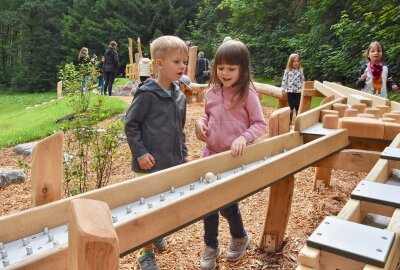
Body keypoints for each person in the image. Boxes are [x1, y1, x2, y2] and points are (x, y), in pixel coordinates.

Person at [194, 40, 267, 270]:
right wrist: (200, 123)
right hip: (211, 155)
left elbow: (259, 124)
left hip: (233, 160)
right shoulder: (212, 92)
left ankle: (239, 236)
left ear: (242, 69)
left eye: (231, 69)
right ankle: (211, 246)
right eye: (220, 67)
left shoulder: (247, 94)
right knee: (208, 203)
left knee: (227, 205)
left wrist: (244, 137)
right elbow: (207, 116)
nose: (224, 73)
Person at [125, 35, 190, 270]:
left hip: (170, 162)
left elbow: (179, 130)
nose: (182, 66)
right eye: (176, 62)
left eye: (184, 61)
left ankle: (155, 234)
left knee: (163, 205)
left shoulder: (180, 96)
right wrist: (140, 153)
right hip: (148, 165)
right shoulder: (146, 94)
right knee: (147, 208)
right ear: (159, 64)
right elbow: (130, 125)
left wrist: (184, 153)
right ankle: (145, 252)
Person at [281, 53, 305, 124]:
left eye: (297, 61)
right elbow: (284, 80)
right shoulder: (287, 71)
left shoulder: (300, 71)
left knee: (298, 106)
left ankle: (298, 121)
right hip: (290, 91)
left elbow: (303, 80)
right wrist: (283, 89)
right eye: (294, 61)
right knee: (291, 106)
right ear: (290, 62)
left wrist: (303, 88)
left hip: (298, 91)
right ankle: (289, 120)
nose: (296, 63)